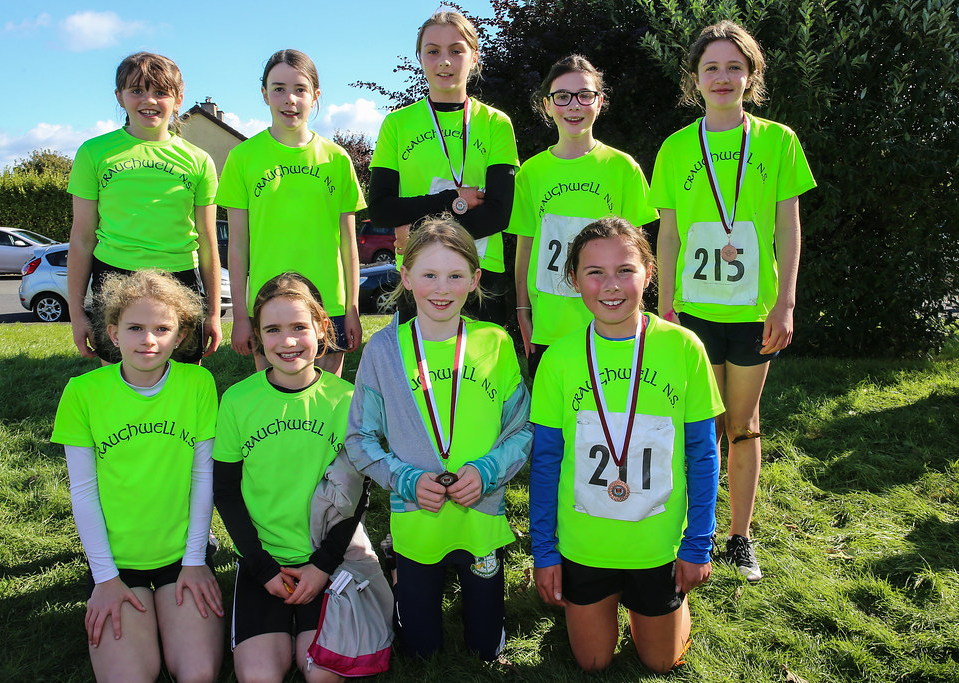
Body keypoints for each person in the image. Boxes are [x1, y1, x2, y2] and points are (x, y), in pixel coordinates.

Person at [651, 20, 817, 582]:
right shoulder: (675, 148)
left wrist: (785, 302)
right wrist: (665, 305)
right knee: (698, 426)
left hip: (753, 310)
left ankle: (739, 536)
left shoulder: (778, 140)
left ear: (752, 75)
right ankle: (685, 526)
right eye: (711, 67)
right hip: (692, 312)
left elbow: (789, 230)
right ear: (694, 78)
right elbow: (667, 235)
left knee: (742, 424)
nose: (723, 77)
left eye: (734, 66)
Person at [529, 218, 722, 673]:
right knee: (593, 662)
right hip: (585, 544)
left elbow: (703, 453)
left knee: (660, 662)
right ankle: (597, 604)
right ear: (574, 279)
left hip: (655, 545)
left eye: (625, 270)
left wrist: (697, 544)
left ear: (649, 273)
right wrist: (544, 550)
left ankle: (658, 609)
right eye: (594, 272)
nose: (610, 286)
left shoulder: (684, 348)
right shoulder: (558, 359)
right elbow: (546, 462)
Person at [345, 215, 532, 660]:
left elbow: (523, 429)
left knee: (485, 649)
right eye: (428, 275)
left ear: (475, 279)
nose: (441, 288)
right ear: (406, 278)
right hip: (416, 517)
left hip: (480, 515)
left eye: (454, 275)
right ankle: (401, 578)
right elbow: (359, 438)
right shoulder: (384, 350)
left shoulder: (495, 342)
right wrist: (405, 479)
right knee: (419, 649)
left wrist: (488, 471)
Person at [51, 270, 224, 682]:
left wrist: (196, 561)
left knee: (198, 674)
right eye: (135, 328)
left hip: (182, 557)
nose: (148, 340)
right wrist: (105, 578)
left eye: (162, 328)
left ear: (180, 337)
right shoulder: (82, 392)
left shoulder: (197, 383)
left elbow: (204, 478)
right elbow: (83, 493)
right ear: (112, 333)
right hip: (118, 564)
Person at [212, 273, 365, 683]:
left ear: (321, 328)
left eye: (299, 327)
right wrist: (261, 567)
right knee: (259, 675)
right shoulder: (237, 401)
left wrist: (323, 564)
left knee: (320, 673)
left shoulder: (346, 400)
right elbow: (225, 492)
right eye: (273, 330)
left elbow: (355, 495)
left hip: (327, 557)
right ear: (259, 338)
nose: (288, 341)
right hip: (265, 562)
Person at [216, 49, 366, 377]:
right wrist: (241, 315)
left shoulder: (336, 159)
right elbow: (237, 246)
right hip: (266, 306)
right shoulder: (242, 158)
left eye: (300, 89)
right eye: (279, 88)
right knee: (273, 408)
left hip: (331, 304)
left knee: (328, 408)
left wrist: (353, 309)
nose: (290, 99)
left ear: (315, 95)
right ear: (264, 94)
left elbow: (349, 245)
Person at [67, 52, 222, 365]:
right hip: (113, 277)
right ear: (119, 97)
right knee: (118, 381)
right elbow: (82, 238)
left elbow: (208, 241)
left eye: (161, 92)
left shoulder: (199, 160)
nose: (148, 100)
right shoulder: (93, 153)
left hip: (180, 277)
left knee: (182, 381)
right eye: (136, 90)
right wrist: (76, 313)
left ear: (178, 99)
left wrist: (215, 314)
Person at [509, 55, 657, 377]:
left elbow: (639, 253)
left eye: (584, 95)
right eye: (562, 96)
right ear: (547, 105)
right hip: (549, 327)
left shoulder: (623, 168)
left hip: (612, 323)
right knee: (552, 424)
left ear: (599, 102)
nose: (573, 105)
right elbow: (525, 246)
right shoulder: (530, 173)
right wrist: (522, 308)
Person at [368, 11, 519, 326]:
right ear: (421, 58)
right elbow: (381, 210)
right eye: (433, 51)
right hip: (418, 272)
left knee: (480, 371)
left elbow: (498, 214)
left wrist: (418, 230)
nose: (444, 61)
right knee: (420, 370)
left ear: (474, 57)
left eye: (456, 50)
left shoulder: (495, 123)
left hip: (480, 272)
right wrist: (450, 200)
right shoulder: (396, 124)